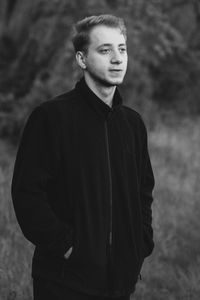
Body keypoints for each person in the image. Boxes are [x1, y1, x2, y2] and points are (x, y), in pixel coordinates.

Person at [11, 14, 155, 300]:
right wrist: (65, 245)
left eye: (122, 49)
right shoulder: (51, 117)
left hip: (120, 283)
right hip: (63, 281)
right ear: (81, 59)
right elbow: (27, 193)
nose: (117, 58)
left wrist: (141, 242)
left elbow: (143, 191)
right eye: (105, 50)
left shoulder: (132, 124)